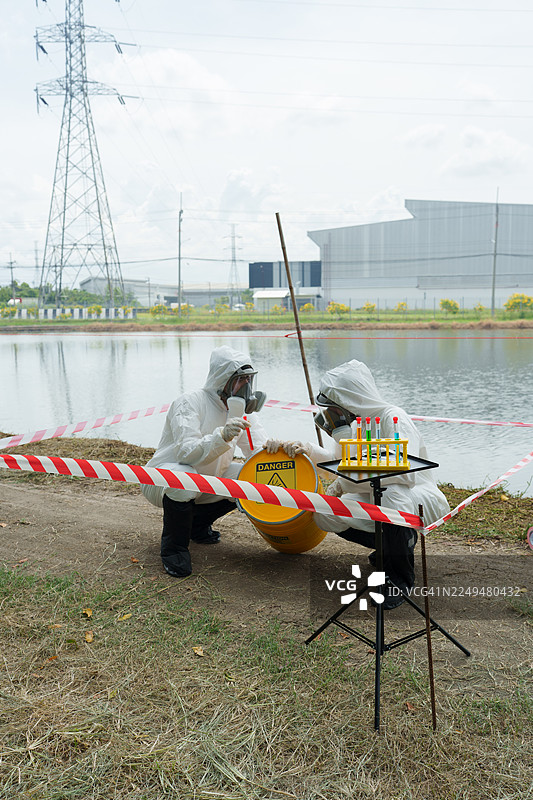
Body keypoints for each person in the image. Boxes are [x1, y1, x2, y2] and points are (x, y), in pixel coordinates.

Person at [266, 359, 450, 609]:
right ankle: (390, 547)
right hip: (376, 494)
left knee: (392, 494)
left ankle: (400, 579)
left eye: (333, 408)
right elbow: (338, 464)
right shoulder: (357, 425)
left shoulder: (393, 417)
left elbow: (405, 475)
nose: (331, 415)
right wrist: (307, 450)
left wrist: (348, 478)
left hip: (415, 497)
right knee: (326, 514)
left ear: (350, 400)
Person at [141, 345, 268, 577]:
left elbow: (258, 456)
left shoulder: (243, 412)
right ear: (224, 379)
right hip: (163, 479)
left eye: (250, 380)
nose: (247, 387)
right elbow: (185, 453)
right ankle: (174, 549)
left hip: (205, 480)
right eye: (241, 380)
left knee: (249, 477)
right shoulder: (189, 402)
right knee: (183, 478)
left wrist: (284, 451)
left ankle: (196, 527)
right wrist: (222, 436)